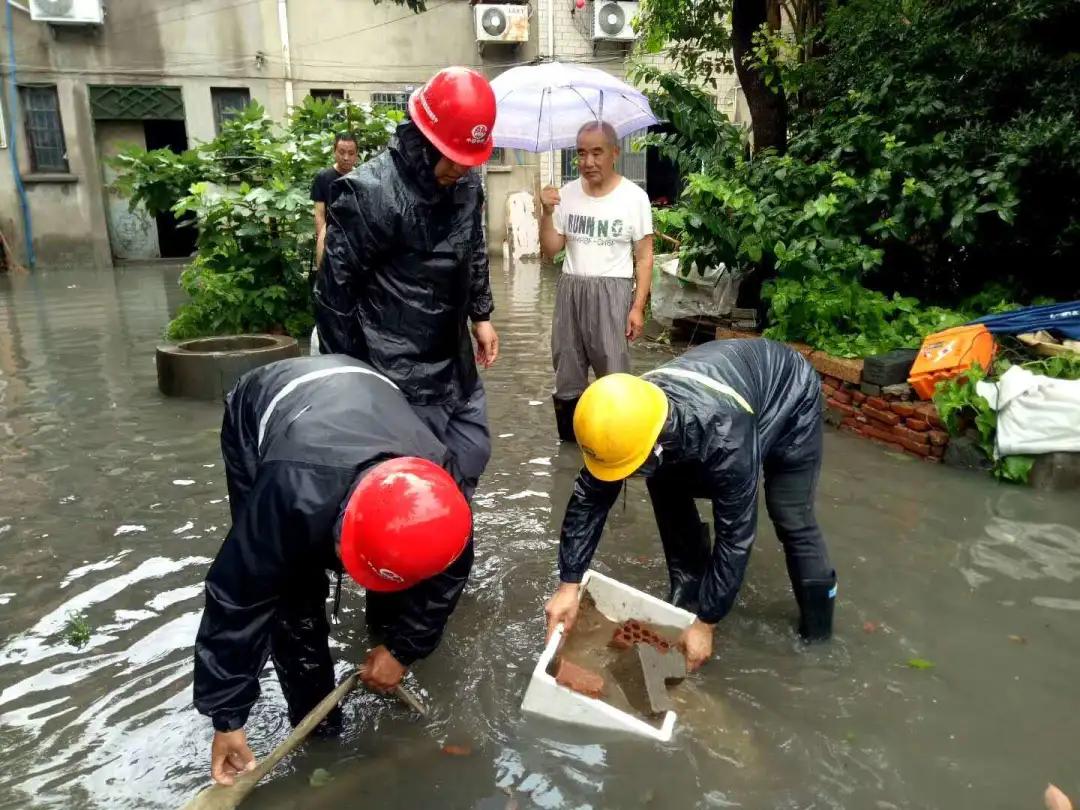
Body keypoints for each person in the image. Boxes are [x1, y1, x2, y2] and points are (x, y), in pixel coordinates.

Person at [193, 354, 474, 786]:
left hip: (364, 396)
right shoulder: (289, 490)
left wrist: (402, 649)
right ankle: (320, 729)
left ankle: (384, 644)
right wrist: (227, 718)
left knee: (405, 577)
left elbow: (447, 574)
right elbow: (241, 594)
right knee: (294, 599)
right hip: (266, 408)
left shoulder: (440, 491)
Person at [543, 338, 837, 672]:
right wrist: (569, 582)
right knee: (664, 480)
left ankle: (818, 639)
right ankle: (687, 590)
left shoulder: (726, 437)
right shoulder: (621, 421)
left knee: (789, 513)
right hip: (712, 397)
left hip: (787, 396)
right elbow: (590, 497)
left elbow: (736, 535)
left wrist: (707, 622)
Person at [314, 66, 498, 500]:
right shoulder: (368, 194)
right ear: (423, 138)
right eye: (452, 155)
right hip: (396, 372)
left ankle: (450, 546)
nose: (460, 168)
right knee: (414, 489)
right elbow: (334, 301)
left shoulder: (466, 184)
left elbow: (472, 249)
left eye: (468, 158)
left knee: (472, 453)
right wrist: (356, 386)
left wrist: (482, 315)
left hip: (454, 361)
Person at [539, 120, 655, 442]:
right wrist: (546, 213)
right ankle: (571, 449)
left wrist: (637, 307)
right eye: (581, 154)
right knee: (567, 371)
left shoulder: (634, 198)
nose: (587, 162)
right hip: (571, 290)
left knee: (614, 375)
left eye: (596, 153)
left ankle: (614, 448)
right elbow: (550, 252)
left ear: (614, 153)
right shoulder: (565, 196)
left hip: (613, 292)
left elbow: (644, 257)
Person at [311, 132, 359, 270]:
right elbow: (319, 214)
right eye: (341, 152)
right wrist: (324, 242)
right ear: (334, 151)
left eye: (351, 153)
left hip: (355, 240)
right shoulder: (323, 177)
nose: (346, 157)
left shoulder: (360, 177)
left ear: (357, 154)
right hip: (330, 235)